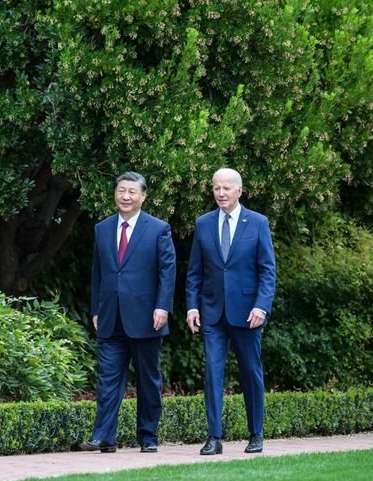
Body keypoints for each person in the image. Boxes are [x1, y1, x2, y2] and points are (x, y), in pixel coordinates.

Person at [80, 171, 176, 453]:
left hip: (147, 318)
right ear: (115, 193)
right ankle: (103, 437)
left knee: (148, 381)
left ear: (143, 196)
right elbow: (99, 272)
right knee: (108, 379)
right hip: (110, 317)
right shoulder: (102, 228)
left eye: (132, 192)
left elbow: (167, 271)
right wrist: (96, 308)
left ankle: (148, 436)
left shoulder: (158, 229)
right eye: (121, 190)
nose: (125, 196)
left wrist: (163, 306)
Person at [186, 167, 276, 455]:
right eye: (216, 188)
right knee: (212, 373)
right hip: (212, 313)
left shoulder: (258, 223)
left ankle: (256, 434)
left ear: (239, 190)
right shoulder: (203, 224)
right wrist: (191, 306)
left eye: (226, 188)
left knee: (251, 371)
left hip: (248, 313)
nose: (220, 193)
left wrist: (262, 305)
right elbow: (194, 272)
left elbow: (267, 270)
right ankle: (214, 437)